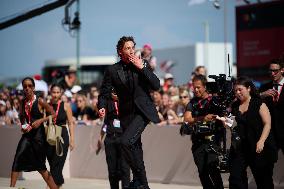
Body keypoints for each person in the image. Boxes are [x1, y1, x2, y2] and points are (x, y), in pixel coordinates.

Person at [98, 36, 160, 189]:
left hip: (142, 113)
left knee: (125, 142)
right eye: (127, 48)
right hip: (126, 116)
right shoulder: (112, 70)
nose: (131, 50)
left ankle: (138, 178)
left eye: (133, 47)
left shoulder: (142, 63)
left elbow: (156, 85)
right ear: (120, 52)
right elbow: (104, 93)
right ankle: (144, 185)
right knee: (136, 151)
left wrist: (142, 67)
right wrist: (102, 106)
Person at [227, 76, 277, 189]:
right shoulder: (234, 106)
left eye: (240, 89)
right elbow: (233, 123)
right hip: (241, 146)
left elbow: (267, 124)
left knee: (264, 180)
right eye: (235, 90)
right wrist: (227, 123)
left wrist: (261, 141)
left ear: (248, 88)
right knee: (236, 177)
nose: (238, 93)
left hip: (259, 146)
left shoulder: (258, 103)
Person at [10, 77, 58, 189]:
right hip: (27, 137)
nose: (27, 88)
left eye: (30, 86)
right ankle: (11, 187)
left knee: (41, 167)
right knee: (17, 159)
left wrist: (41, 120)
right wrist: (23, 126)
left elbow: (53, 114)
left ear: (34, 88)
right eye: (25, 86)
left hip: (38, 138)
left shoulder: (40, 101)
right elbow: (22, 117)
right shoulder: (22, 102)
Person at [183, 74, 224, 189]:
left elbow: (222, 115)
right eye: (194, 87)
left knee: (213, 169)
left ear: (205, 86)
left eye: (198, 87)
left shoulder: (214, 100)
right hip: (197, 141)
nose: (196, 90)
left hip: (213, 140)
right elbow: (187, 118)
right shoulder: (192, 103)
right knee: (202, 172)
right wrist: (202, 118)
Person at [97, 88, 130, 189]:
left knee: (124, 169)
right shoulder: (107, 103)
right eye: (113, 90)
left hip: (123, 138)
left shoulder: (127, 102)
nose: (115, 92)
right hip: (110, 139)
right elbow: (105, 124)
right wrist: (100, 138)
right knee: (112, 171)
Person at [46, 84, 75, 188]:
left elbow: (71, 123)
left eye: (58, 92)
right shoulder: (47, 105)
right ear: (50, 92)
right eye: (54, 92)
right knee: (52, 164)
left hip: (62, 135)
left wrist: (72, 139)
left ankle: (51, 186)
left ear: (61, 93)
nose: (55, 94)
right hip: (50, 135)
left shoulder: (66, 105)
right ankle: (58, 185)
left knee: (58, 164)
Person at [259, 58, 284, 153]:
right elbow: (253, 102)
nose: (272, 73)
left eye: (275, 71)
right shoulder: (264, 87)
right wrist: (262, 95)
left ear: (282, 70)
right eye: (270, 71)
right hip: (270, 133)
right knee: (268, 163)